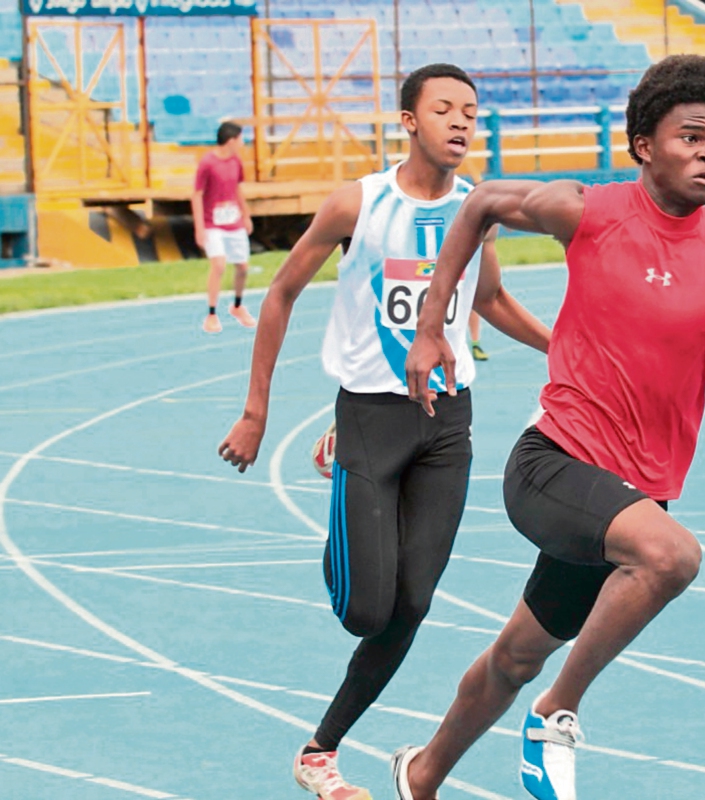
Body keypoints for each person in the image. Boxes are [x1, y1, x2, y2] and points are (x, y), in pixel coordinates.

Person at [393, 54, 705, 800]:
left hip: (637, 492)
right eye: (691, 136)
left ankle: (420, 775)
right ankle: (557, 714)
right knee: (672, 558)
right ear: (644, 145)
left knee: (516, 657)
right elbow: (483, 200)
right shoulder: (590, 210)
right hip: (554, 463)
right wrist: (432, 328)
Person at [216, 63, 552, 800]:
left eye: (471, 112)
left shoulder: (477, 207)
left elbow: (490, 300)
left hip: (446, 424)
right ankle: (342, 466)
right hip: (369, 414)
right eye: (444, 110)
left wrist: (563, 347)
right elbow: (280, 295)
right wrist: (255, 411)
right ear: (408, 121)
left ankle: (320, 752)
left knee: (414, 605)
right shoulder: (357, 204)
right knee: (366, 608)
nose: (462, 123)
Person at [193, 121, 257, 334]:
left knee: (242, 267)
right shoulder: (207, 163)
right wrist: (199, 227)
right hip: (213, 224)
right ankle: (211, 313)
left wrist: (246, 215)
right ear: (231, 140)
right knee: (219, 265)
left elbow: (237, 189)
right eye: (240, 139)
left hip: (234, 222)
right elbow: (197, 195)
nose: (243, 142)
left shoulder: (236, 162)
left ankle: (237, 306)